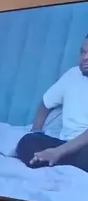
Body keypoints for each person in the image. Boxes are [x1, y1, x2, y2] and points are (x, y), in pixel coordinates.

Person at [16, 35, 88, 173]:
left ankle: (51, 160)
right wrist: (36, 130)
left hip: (83, 147)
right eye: (83, 52)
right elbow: (45, 103)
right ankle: (52, 159)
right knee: (28, 141)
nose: (85, 57)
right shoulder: (72, 75)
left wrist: (58, 152)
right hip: (63, 143)